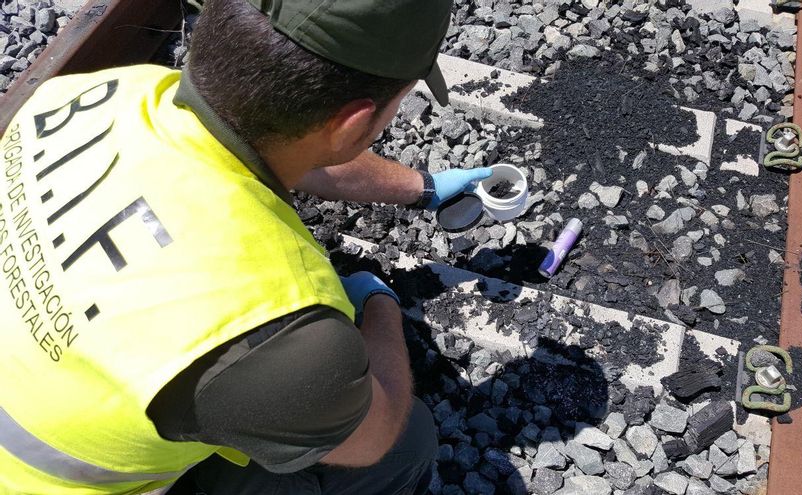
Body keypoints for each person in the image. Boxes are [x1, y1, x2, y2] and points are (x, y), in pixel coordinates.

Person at [0, 0, 493, 493]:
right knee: (406, 445)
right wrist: (380, 303)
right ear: (353, 125)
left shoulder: (94, 92)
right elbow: (374, 435)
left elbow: (280, 136)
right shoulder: (270, 340)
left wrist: (420, 186)